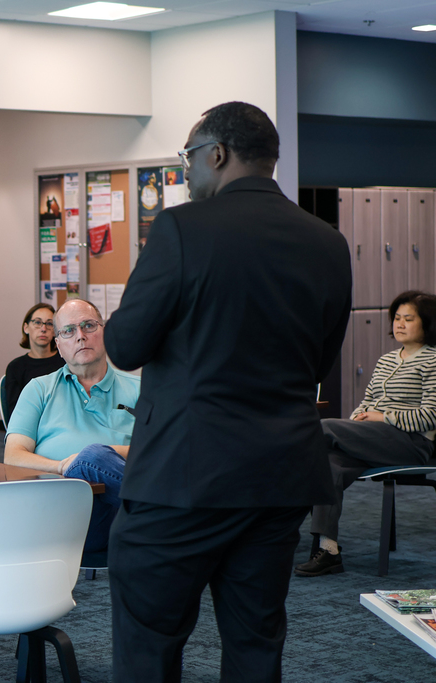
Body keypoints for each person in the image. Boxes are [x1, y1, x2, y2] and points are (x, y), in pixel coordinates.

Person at [103, 102, 352, 682]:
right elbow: (320, 360)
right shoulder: (327, 241)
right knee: (255, 643)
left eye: (188, 158)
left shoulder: (181, 228)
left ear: (216, 154)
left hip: (182, 481)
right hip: (279, 476)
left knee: (150, 645)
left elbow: (127, 345)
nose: (186, 173)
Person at [296, 290, 436, 577]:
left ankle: (276, 513)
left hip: (412, 444)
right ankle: (329, 550)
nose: (399, 324)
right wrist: (357, 419)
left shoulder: (433, 361)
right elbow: (367, 400)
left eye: (408, 319)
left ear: (427, 324)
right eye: (396, 318)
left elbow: (430, 415)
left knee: (321, 428)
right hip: (374, 438)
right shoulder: (386, 360)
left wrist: (384, 417)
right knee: (329, 465)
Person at [4, 298, 139, 553]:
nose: (80, 336)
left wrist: (102, 454)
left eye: (88, 326)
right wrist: (64, 465)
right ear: (59, 345)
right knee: (91, 456)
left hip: (117, 515)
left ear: (104, 333)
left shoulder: (140, 388)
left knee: (93, 455)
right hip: (61, 515)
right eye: (68, 330)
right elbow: (12, 456)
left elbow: (160, 450)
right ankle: (167, 516)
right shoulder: (38, 389)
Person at [4, 303, 66, 421]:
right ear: (26, 328)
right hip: (32, 426)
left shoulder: (66, 361)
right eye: (37, 322)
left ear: (55, 330)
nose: (43, 329)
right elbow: (15, 413)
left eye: (49, 324)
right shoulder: (16, 367)